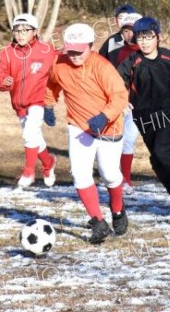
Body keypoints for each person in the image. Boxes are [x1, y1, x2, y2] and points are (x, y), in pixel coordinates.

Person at [44, 23, 128, 244]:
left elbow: (120, 96)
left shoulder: (102, 67)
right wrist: (49, 105)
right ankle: (99, 223)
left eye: (79, 51)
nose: (73, 56)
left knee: (110, 175)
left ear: (91, 46)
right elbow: (52, 84)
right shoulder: (59, 64)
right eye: (70, 50)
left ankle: (118, 209)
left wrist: (104, 116)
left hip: (109, 127)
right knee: (80, 174)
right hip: (79, 126)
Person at [106, 13, 170, 195]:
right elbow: (117, 82)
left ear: (158, 37)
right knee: (156, 161)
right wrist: (122, 99)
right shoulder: (132, 61)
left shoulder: (168, 57)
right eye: (140, 37)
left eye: (149, 37)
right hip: (143, 115)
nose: (145, 42)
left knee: (162, 149)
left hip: (169, 111)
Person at [0, 13, 58, 187]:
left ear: (35, 31)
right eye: (16, 31)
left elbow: (61, 65)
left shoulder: (46, 50)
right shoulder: (6, 53)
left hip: (39, 100)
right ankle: (48, 163)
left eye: (25, 30)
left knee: (29, 133)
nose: (20, 34)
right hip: (19, 104)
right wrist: (3, 80)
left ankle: (29, 172)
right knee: (35, 137)